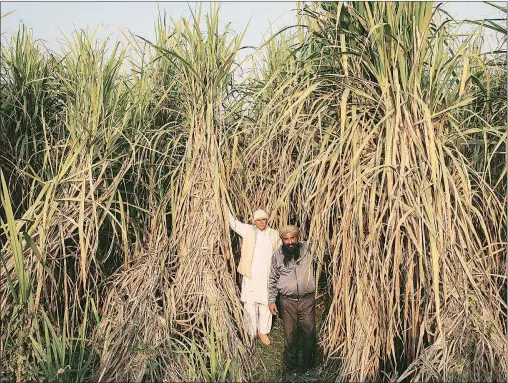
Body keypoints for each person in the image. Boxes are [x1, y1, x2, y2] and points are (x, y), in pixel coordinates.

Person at [268, 225, 317, 381]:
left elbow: (327, 249)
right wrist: (271, 300)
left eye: (292, 238)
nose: (290, 242)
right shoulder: (277, 256)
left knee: (309, 335)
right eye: (286, 239)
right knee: (290, 336)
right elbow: (272, 279)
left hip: (307, 301)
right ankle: (291, 370)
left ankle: (308, 368)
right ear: (282, 240)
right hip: (287, 302)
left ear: (297, 238)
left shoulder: (309, 250)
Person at [227, 207, 281, 345]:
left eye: (264, 219)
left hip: (267, 274)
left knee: (265, 302)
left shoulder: (274, 234)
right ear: (254, 221)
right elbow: (232, 222)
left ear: (267, 220)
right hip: (251, 274)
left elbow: (280, 252)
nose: (261, 222)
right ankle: (250, 332)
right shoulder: (248, 230)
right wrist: (224, 205)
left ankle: (263, 331)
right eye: (258, 220)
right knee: (250, 303)